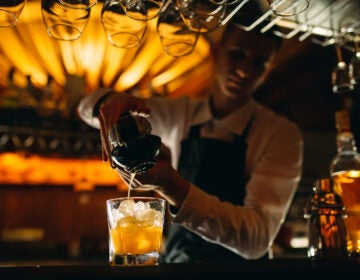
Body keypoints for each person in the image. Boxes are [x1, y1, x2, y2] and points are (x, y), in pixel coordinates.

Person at [77, 18, 304, 263]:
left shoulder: (280, 134)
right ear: (216, 53)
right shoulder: (180, 114)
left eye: (259, 63)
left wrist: (172, 186)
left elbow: (256, 240)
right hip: (176, 267)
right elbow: (85, 106)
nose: (244, 70)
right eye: (237, 54)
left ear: (268, 69)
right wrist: (111, 103)